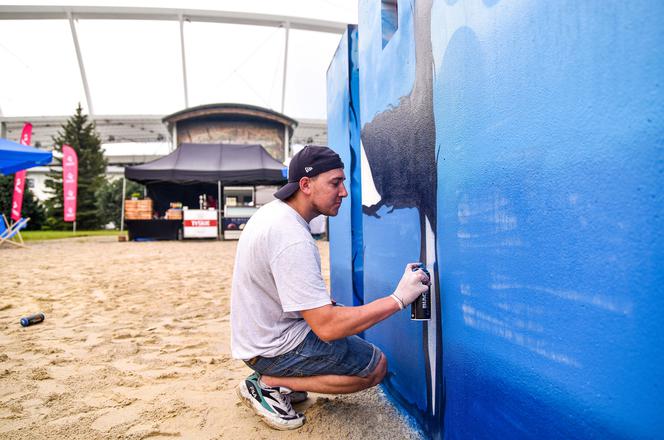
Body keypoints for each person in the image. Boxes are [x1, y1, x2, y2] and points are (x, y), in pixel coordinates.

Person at [230, 145, 430, 430]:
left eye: (343, 182)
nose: (344, 192)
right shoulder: (292, 237)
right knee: (374, 368)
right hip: (271, 347)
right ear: (305, 185)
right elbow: (327, 328)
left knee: (343, 322)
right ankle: (270, 383)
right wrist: (399, 298)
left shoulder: (274, 215)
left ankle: (280, 379)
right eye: (335, 183)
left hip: (258, 338)